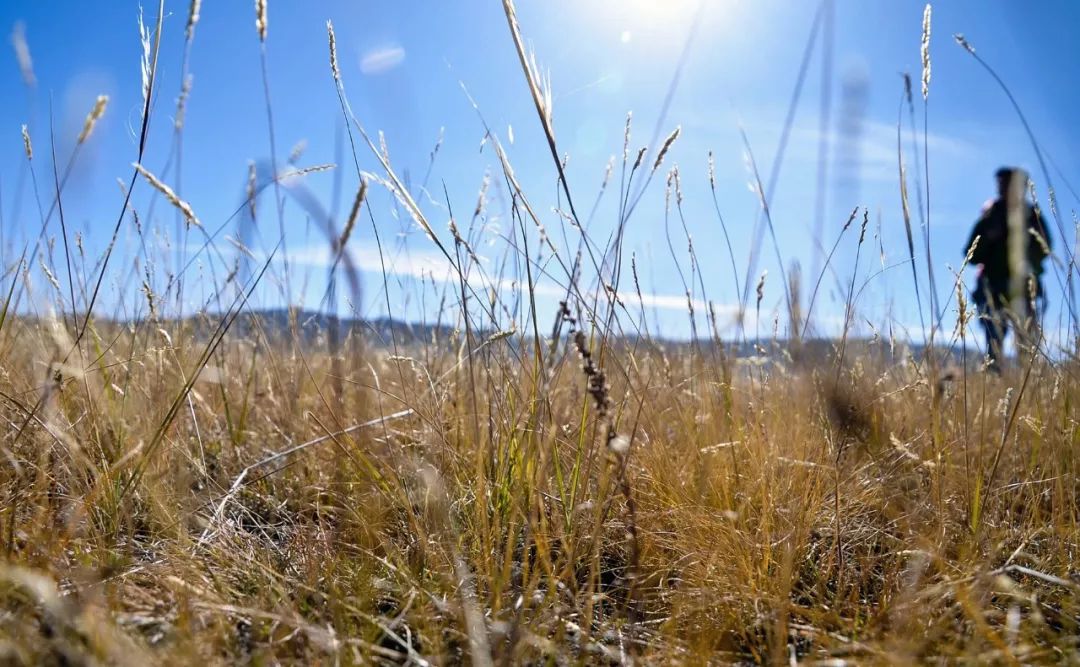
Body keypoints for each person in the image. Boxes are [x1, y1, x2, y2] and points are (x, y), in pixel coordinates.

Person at [964, 167, 1052, 371]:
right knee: (994, 346)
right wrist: (989, 239)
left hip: (1025, 289)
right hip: (993, 290)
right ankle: (994, 384)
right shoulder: (990, 214)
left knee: (1027, 345)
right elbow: (970, 255)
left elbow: (1046, 249)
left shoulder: (1031, 215)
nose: (1004, 188)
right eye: (1002, 184)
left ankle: (1029, 385)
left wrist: (1027, 258)